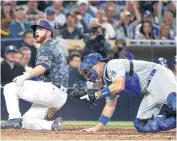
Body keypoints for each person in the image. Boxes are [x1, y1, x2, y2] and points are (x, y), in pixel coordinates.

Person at [70, 53, 176, 133]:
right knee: (141, 124)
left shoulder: (112, 65)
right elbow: (110, 106)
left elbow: (119, 86)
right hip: (149, 91)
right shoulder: (108, 83)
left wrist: (96, 95)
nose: (88, 74)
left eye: (89, 69)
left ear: (98, 63)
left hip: (158, 76)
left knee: (174, 100)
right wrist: (97, 128)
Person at [1, 19, 69, 131]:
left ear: (48, 33)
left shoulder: (46, 46)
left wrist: (25, 75)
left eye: (40, 29)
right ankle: (52, 125)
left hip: (50, 90)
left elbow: (42, 67)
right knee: (26, 122)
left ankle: (13, 118)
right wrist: (56, 102)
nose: (36, 32)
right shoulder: (54, 47)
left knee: (10, 87)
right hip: (59, 95)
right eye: (36, 29)